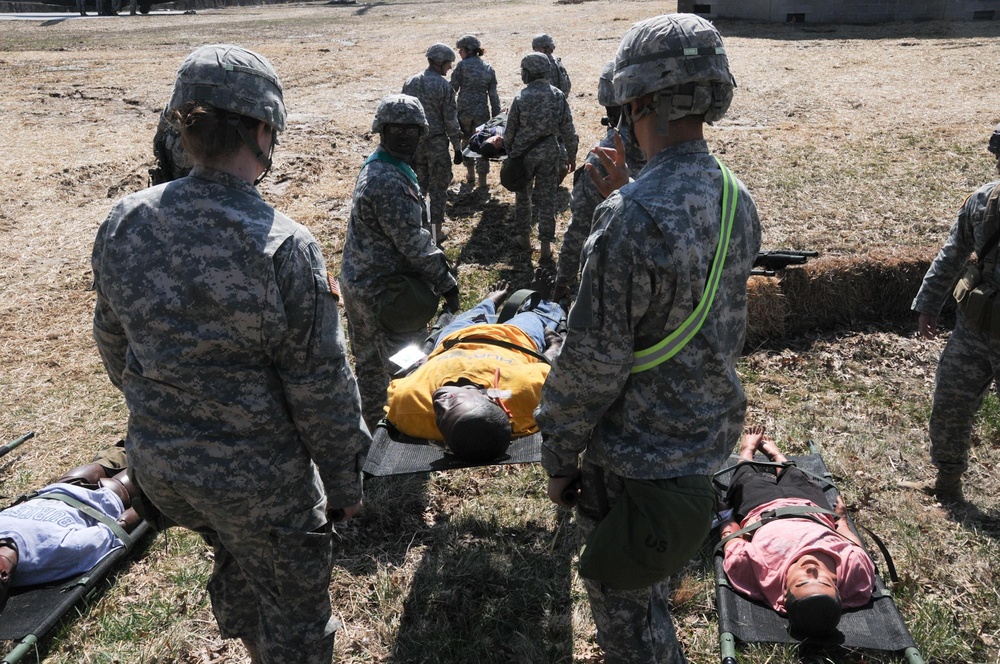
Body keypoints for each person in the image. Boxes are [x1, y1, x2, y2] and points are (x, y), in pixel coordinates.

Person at [91, 45, 371, 664]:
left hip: (166, 472)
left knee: (234, 543)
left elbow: (113, 343)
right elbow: (321, 384)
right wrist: (346, 480)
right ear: (264, 129)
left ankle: (250, 636)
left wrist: (167, 409)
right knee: (298, 620)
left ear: (183, 127)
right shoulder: (283, 245)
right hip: (260, 484)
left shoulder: (124, 221)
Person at [535, 14, 761, 663]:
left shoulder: (628, 219)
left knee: (627, 621)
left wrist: (558, 461)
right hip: (703, 450)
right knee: (652, 583)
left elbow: (587, 370)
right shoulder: (735, 196)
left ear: (635, 102)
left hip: (632, 469)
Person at [341, 93, 461, 430]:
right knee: (406, 359)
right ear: (382, 129)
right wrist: (446, 283)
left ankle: (377, 425)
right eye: (397, 128)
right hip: (386, 294)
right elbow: (415, 244)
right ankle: (406, 425)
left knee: (368, 361)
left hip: (362, 282)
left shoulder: (383, 164)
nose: (406, 135)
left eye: (412, 128)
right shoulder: (388, 181)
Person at [908, 123, 1000, 504]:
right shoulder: (982, 203)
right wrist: (928, 304)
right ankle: (946, 483)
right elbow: (952, 254)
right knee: (950, 404)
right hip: (974, 329)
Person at [718, 426, 876, 637]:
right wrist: (842, 522)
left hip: (761, 507)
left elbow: (732, 539)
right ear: (838, 590)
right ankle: (775, 454)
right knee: (796, 476)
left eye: (802, 581)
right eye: (824, 581)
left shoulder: (759, 572)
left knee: (746, 478)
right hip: (811, 506)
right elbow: (854, 547)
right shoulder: (855, 574)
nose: (812, 571)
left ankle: (747, 450)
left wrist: (725, 517)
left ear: (784, 594)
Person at [384, 283, 564, 462]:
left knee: (471, 315)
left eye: (438, 418)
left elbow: (400, 383)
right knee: (533, 315)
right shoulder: (526, 395)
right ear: (489, 397)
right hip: (514, 336)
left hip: (455, 338)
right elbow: (548, 366)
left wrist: (420, 366)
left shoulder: (409, 409)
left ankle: (490, 301)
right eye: (453, 403)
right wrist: (555, 345)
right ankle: (544, 303)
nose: (439, 404)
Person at [0, 444, 137, 612]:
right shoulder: (57, 553)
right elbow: (116, 529)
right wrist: (149, 502)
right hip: (104, 495)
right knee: (147, 463)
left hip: (56, 488)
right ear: (4, 575)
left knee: (112, 458)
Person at [553, 61, 646, 305]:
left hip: (611, 291)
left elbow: (579, 230)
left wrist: (562, 282)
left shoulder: (602, 160)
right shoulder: (673, 153)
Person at [504, 53, 578, 262]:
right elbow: (568, 130)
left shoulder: (521, 97)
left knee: (523, 197)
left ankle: (524, 239)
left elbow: (509, 132)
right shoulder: (557, 95)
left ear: (527, 73)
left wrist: (511, 153)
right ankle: (546, 246)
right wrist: (571, 155)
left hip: (524, 155)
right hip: (550, 153)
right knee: (547, 199)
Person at [402, 43, 464, 242]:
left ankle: (420, 230)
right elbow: (450, 120)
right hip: (436, 145)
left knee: (417, 188)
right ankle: (436, 234)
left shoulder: (410, 82)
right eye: (448, 64)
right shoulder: (444, 86)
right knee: (438, 189)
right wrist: (457, 146)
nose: (450, 68)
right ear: (438, 62)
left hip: (413, 145)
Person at [451, 35, 502, 191]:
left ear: (468, 50)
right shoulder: (488, 68)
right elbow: (493, 95)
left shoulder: (461, 67)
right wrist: (497, 117)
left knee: (466, 141)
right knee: (482, 143)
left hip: (464, 111)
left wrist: (449, 112)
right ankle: (483, 180)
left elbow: (452, 89)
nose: (459, 52)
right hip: (482, 112)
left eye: (461, 49)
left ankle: (470, 174)